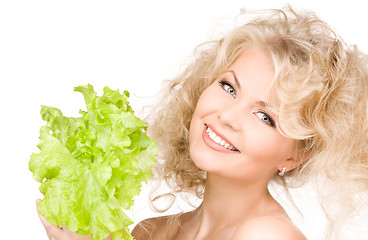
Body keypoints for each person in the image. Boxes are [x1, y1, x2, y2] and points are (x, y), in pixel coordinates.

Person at [38, 6, 368, 240]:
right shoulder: (152, 232)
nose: (227, 115)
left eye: (265, 117)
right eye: (229, 87)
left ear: (294, 156)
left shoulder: (266, 235)